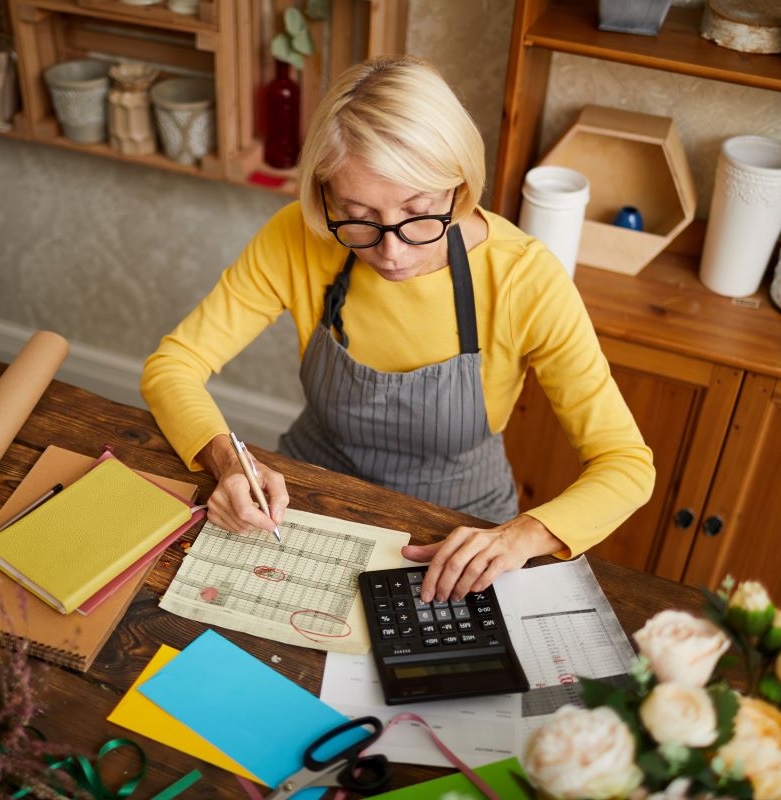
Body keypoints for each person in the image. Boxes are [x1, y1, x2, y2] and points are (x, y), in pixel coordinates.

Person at [141, 55, 654, 604]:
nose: (389, 252)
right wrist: (227, 461)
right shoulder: (296, 237)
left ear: (459, 185)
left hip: (459, 529)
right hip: (310, 500)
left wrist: (523, 535)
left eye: (417, 213)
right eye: (359, 217)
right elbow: (172, 367)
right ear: (324, 197)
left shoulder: (525, 278)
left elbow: (625, 465)